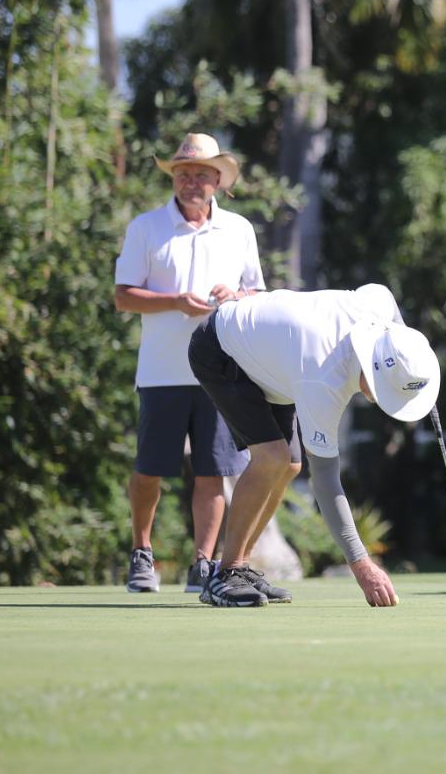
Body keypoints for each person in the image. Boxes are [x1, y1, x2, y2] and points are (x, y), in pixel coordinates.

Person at [187, 283, 440, 608]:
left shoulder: (378, 311)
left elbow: (385, 295)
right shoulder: (324, 379)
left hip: (275, 361)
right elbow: (325, 482)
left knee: (290, 464)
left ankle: (241, 568)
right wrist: (362, 565)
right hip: (220, 348)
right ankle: (225, 575)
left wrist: (412, 372)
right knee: (272, 457)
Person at [114, 133, 266, 594]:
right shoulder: (146, 227)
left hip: (221, 373)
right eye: (183, 174)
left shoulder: (239, 229)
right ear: (173, 178)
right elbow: (124, 297)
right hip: (161, 372)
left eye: (201, 174)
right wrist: (176, 302)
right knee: (149, 470)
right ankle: (142, 552)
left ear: (218, 180)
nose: (191, 182)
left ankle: (203, 563)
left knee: (212, 472)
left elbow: (258, 294)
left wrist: (235, 296)